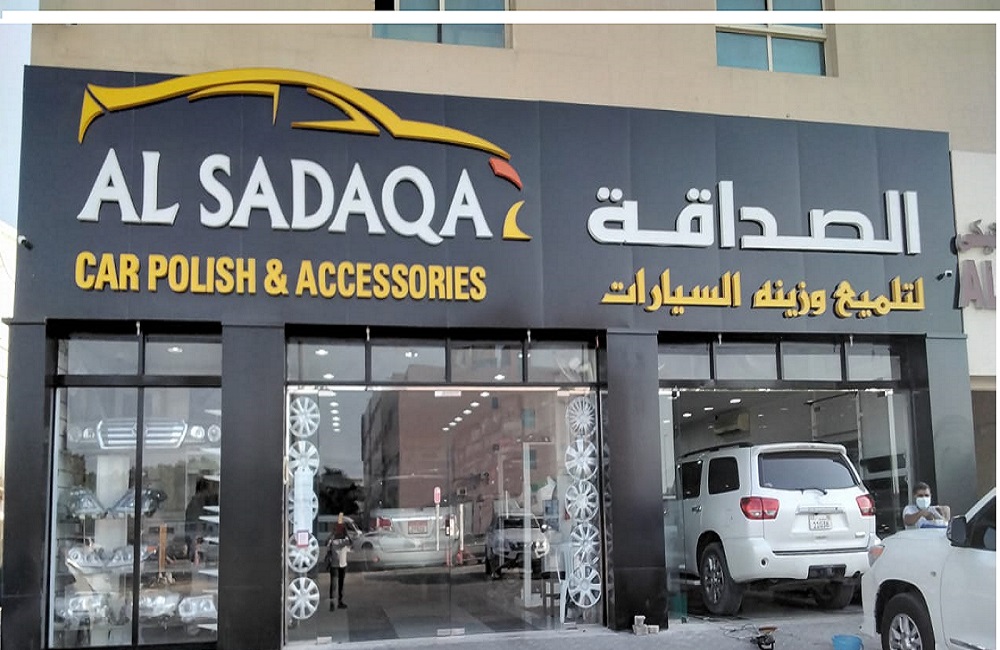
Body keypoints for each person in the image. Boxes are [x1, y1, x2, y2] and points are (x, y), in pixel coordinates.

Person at [325, 512, 351, 610]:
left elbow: (351, 542)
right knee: (335, 585)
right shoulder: (334, 540)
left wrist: (344, 532)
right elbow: (326, 543)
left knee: (339, 584)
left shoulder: (344, 540)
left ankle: (338, 602)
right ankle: (334, 603)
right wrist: (333, 533)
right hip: (335, 565)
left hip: (341, 564)